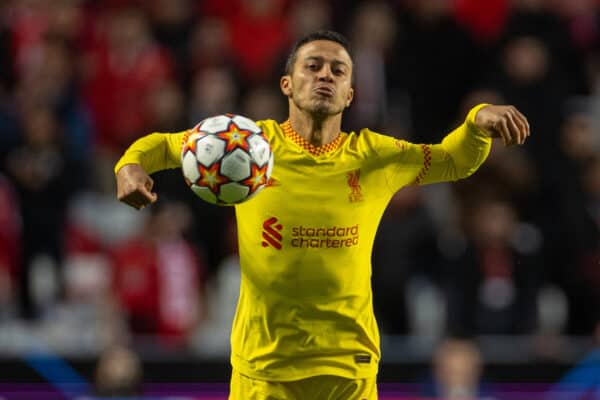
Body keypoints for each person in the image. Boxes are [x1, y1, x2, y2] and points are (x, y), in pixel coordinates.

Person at [114, 30, 530, 400]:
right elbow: (165, 146)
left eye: (338, 70)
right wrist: (129, 167)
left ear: (350, 93)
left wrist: (477, 122)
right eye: (312, 66)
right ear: (287, 85)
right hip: (264, 371)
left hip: (347, 371)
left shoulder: (375, 156)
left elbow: (453, 160)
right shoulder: (247, 146)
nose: (325, 75)